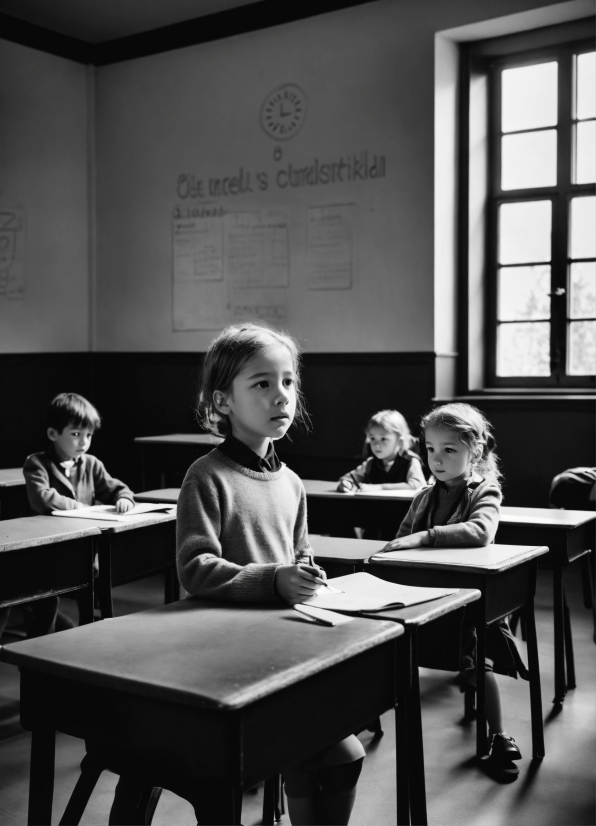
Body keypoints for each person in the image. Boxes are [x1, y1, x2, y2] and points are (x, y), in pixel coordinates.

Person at [109, 323, 365, 826]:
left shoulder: (291, 483)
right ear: (222, 401)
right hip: (221, 656)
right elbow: (195, 568)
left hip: (281, 647)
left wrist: (307, 577)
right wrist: (273, 581)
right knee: (278, 754)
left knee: (342, 755)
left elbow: (299, 554)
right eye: (262, 384)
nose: (281, 396)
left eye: (288, 382)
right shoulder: (206, 476)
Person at [380, 402, 527, 779]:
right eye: (431, 449)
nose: (437, 459)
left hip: (474, 599)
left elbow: (481, 533)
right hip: (431, 596)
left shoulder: (485, 490)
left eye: (450, 449)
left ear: (474, 452)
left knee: (481, 665)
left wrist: (427, 537)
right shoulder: (424, 497)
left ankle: (497, 735)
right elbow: (400, 543)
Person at [18, 392, 134, 638]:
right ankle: (38, 656)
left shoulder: (91, 464)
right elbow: (41, 497)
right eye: (75, 434)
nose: (83, 442)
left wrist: (123, 498)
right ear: (53, 434)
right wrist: (76, 506)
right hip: (47, 551)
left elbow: (116, 488)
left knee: (90, 597)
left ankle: (87, 638)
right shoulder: (37, 463)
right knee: (46, 606)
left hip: (83, 550)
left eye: (89, 435)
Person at [337, 409, 426, 493]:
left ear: (399, 441)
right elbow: (348, 478)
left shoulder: (410, 461)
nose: (376, 444)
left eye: (383, 439)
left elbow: (418, 485)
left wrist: (380, 487)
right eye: (372, 438)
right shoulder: (370, 463)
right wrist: (347, 484)